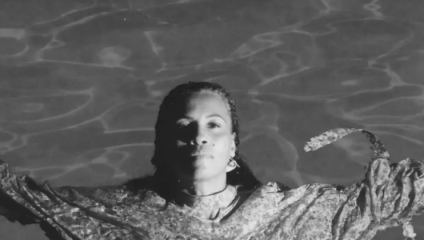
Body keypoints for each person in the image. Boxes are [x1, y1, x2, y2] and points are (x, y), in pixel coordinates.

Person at [0, 81, 423, 240]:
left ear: (233, 145)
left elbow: (402, 194)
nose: (199, 135)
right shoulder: (110, 214)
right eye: (184, 127)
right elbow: (14, 195)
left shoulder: (294, 214)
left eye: (213, 125)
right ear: (163, 145)